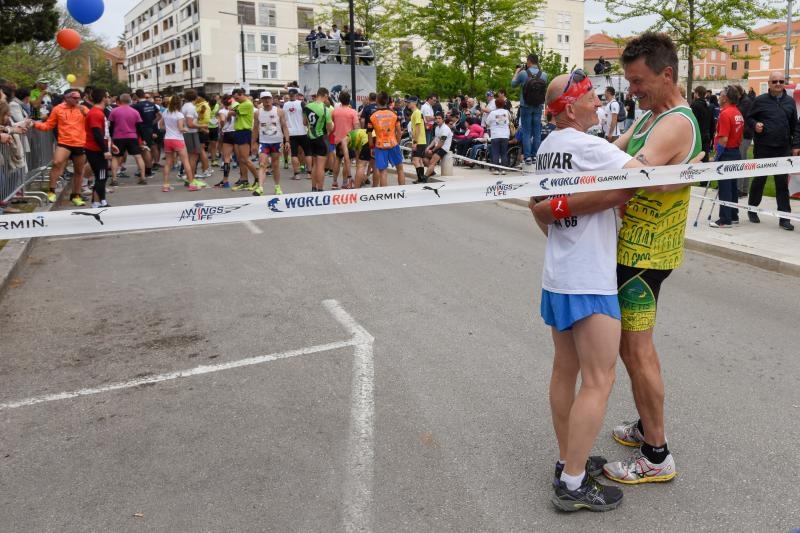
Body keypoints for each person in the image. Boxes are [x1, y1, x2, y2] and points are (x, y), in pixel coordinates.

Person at [530, 69, 642, 513]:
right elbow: (641, 177)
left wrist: (559, 219)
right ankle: (573, 484)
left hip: (558, 274)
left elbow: (538, 210)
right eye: (591, 97)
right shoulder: (587, 146)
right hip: (591, 278)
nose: (598, 103)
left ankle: (566, 460)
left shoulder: (549, 147)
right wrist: (615, 194)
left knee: (565, 372)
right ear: (570, 108)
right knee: (600, 379)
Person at [602, 32, 702, 485]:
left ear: (667, 75)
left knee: (636, 350)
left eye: (639, 81)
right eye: (629, 82)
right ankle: (646, 424)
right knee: (630, 347)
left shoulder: (676, 123)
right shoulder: (650, 119)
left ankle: (656, 454)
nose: (632, 90)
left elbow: (625, 172)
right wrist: (650, 178)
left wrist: (646, 177)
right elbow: (611, 157)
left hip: (646, 254)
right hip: (631, 248)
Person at [745, 70, 797, 231]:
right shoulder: (760, 101)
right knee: (759, 180)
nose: (778, 84)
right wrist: (755, 125)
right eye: (775, 82)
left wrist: (795, 146)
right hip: (763, 148)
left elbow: (795, 125)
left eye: (781, 81)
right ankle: (752, 209)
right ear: (769, 84)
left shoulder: (790, 102)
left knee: (781, 184)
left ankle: (785, 218)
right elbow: (749, 118)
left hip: (783, 149)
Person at [33, 88, 88, 206]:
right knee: (57, 163)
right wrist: (34, 124)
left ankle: (76, 195)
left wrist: (86, 113)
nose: (77, 100)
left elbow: (93, 121)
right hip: (65, 142)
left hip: (80, 143)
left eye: (79, 97)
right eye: (74, 98)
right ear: (67, 98)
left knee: (79, 171)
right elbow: (49, 125)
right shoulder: (58, 109)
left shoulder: (83, 109)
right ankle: (51, 191)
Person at [709, 86, 744, 228]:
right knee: (733, 186)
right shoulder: (738, 112)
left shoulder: (725, 113)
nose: (719, 96)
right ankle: (733, 215)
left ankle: (725, 219)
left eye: (721, 94)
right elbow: (740, 136)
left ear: (726, 98)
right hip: (736, 151)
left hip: (727, 153)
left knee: (724, 187)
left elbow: (723, 138)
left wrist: (717, 155)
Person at [511, 53, 548, 166]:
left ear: (529, 61)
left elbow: (512, 84)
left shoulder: (523, 73)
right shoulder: (544, 75)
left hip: (526, 106)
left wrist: (517, 71)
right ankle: (535, 155)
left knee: (526, 131)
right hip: (538, 106)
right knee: (537, 131)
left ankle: (527, 157)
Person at [252, 91, 289, 196]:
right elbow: (255, 129)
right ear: (261, 100)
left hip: (277, 142)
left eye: (269, 98)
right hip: (264, 142)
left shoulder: (279, 111)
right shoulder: (257, 113)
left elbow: (284, 127)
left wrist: (287, 141)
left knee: (275, 165)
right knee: (262, 164)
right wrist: (253, 143)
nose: (267, 100)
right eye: (264, 98)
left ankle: (277, 187)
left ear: (272, 99)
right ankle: (260, 188)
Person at [159, 93, 199, 191]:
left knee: (168, 163)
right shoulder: (179, 114)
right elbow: (181, 129)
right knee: (186, 162)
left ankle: (165, 185)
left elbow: (161, 125)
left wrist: (169, 128)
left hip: (167, 139)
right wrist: (186, 129)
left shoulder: (166, 112)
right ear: (180, 104)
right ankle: (191, 184)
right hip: (178, 139)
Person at [109, 93, 148, 185]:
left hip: (118, 137)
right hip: (132, 137)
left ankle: (114, 179)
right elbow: (139, 127)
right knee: (138, 156)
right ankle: (143, 177)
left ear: (120, 101)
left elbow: (111, 126)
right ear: (130, 100)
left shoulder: (114, 111)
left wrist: (111, 138)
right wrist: (142, 139)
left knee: (116, 157)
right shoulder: (135, 112)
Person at [368, 91, 405, 187]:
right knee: (400, 169)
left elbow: (369, 133)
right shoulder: (394, 114)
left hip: (380, 146)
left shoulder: (372, 116)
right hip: (393, 144)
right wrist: (397, 142)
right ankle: (404, 192)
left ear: (377, 100)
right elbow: (399, 132)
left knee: (383, 172)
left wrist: (371, 147)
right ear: (388, 101)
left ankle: (385, 197)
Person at [83, 88, 112, 207]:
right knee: (102, 176)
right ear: (103, 98)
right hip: (96, 150)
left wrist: (111, 145)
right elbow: (97, 133)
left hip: (98, 148)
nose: (109, 99)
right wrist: (105, 150)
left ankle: (97, 201)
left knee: (102, 176)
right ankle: (100, 202)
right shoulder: (95, 113)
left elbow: (103, 133)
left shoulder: (98, 112)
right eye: (108, 96)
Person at [303, 87, 334, 191]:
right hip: (321, 138)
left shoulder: (307, 106)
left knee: (314, 164)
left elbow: (304, 123)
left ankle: (313, 187)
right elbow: (330, 128)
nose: (327, 99)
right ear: (325, 95)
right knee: (321, 166)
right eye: (327, 97)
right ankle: (320, 189)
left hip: (310, 138)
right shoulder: (326, 109)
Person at [230, 88, 259, 190]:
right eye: (234, 98)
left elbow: (233, 111)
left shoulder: (247, 104)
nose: (236, 100)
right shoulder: (240, 103)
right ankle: (244, 180)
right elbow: (232, 111)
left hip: (244, 132)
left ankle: (258, 179)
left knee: (246, 159)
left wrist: (233, 105)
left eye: (237, 97)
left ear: (242, 94)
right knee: (240, 160)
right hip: (238, 131)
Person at [331, 91, 360, 189]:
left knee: (338, 160)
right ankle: (344, 182)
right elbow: (356, 128)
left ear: (340, 100)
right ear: (349, 100)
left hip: (337, 139)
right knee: (347, 161)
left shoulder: (335, 111)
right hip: (349, 140)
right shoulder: (353, 112)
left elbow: (332, 124)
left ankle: (334, 182)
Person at [284, 88, 312, 180]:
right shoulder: (301, 103)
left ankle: (297, 175)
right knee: (307, 152)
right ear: (296, 95)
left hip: (291, 133)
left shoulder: (285, 105)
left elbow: (283, 119)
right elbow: (307, 116)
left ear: (289, 95)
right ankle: (309, 174)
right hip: (303, 131)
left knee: (294, 154)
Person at [484, 95, 512, 174]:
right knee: (504, 153)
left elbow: (487, 123)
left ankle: (496, 169)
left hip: (495, 135)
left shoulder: (493, 113)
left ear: (496, 104)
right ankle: (503, 169)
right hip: (505, 135)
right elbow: (510, 121)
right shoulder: (507, 112)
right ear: (503, 104)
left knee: (495, 152)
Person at [421, 112, 452, 182]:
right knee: (423, 157)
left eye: (439, 118)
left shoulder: (445, 129)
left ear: (443, 119)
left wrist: (432, 150)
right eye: (436, 118)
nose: (437, 120)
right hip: (437, 146)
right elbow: (435, 140)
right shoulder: (437, 128)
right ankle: (431, 172)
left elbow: (441, 142)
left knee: (432, 161)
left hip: (444, 148)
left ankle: (425, 177)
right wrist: (428, 147)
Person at [406, 96, 427, 183]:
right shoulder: (416, 113)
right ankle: (421, 178)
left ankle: (421, 179)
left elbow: (418, 128)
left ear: (414, 103)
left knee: (415, 161)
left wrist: (415, 142)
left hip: (419, 141)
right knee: (419, 160)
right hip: (421, 140)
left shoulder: (417, 113)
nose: (407, 104)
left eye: (409, 102)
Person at [690, 86, 713, 162]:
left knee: (697, 159)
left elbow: (691, 122)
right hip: (707, 136)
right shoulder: (709, 106)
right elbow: (712, 123)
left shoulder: (694, 105)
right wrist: (711, 137)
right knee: (705, 159)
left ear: (696, 94)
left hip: (697, 137)